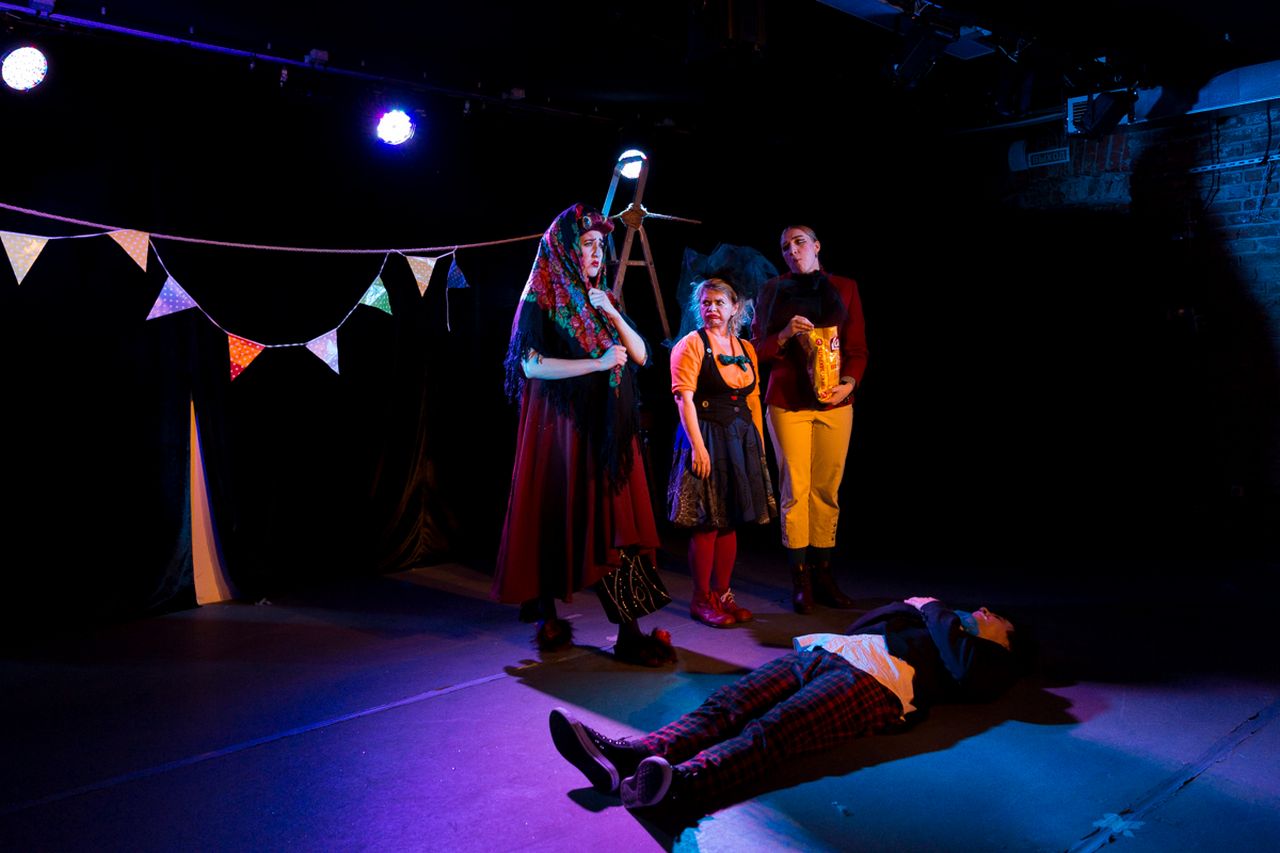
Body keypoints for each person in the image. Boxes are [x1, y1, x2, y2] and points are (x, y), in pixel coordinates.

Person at [549, 597, 1022, 813]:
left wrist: (934, 608)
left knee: (775, 730)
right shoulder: (940, 626)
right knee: (725, 705)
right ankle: (627, 757)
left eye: (997, 618)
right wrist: (912, 607)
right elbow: (866, 623)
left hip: (876, 682)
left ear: (1007, 641)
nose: (985, 611)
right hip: (828, 650)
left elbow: (965, 672)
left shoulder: (987, 660)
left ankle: (683, 785)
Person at [493, 203, 674, 667]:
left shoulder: (600, 297)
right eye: (587, 244)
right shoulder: (540, 296)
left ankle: (629, 632)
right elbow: (530, 365)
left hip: (609, 432)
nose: (596, 253)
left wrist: (611, 311)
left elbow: (640, 355)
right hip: (564, 430)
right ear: (565, 247)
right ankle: (548, 617)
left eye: (600, 245)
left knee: (618, 525)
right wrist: (595, 364)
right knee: (555, 514)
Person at [751, 224, 868, 614]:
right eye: (785, 247)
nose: (792, 250)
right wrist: (784, 334)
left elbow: (857, 349)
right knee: (795, 490)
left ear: (817, 246)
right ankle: (799, 577)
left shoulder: (845, 287)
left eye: (799, 242)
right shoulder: (772, 290)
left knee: (826, 490)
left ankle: (824, 575)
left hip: (835, 403)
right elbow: (756, 350)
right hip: (788, 403)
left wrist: (848, 384)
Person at [667, 277, 777, 628]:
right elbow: (684, 399)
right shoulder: (691, 345)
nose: (712, 309)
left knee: (730, 520)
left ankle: (723, 592)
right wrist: (697, 447)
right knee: (707, 522)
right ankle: (702, 598)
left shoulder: (745, 348)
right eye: (706, 303)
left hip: (739, 439)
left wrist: (758, 448)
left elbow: (753, 399)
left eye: (719, 302)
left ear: (735, 308)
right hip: (707, 436)